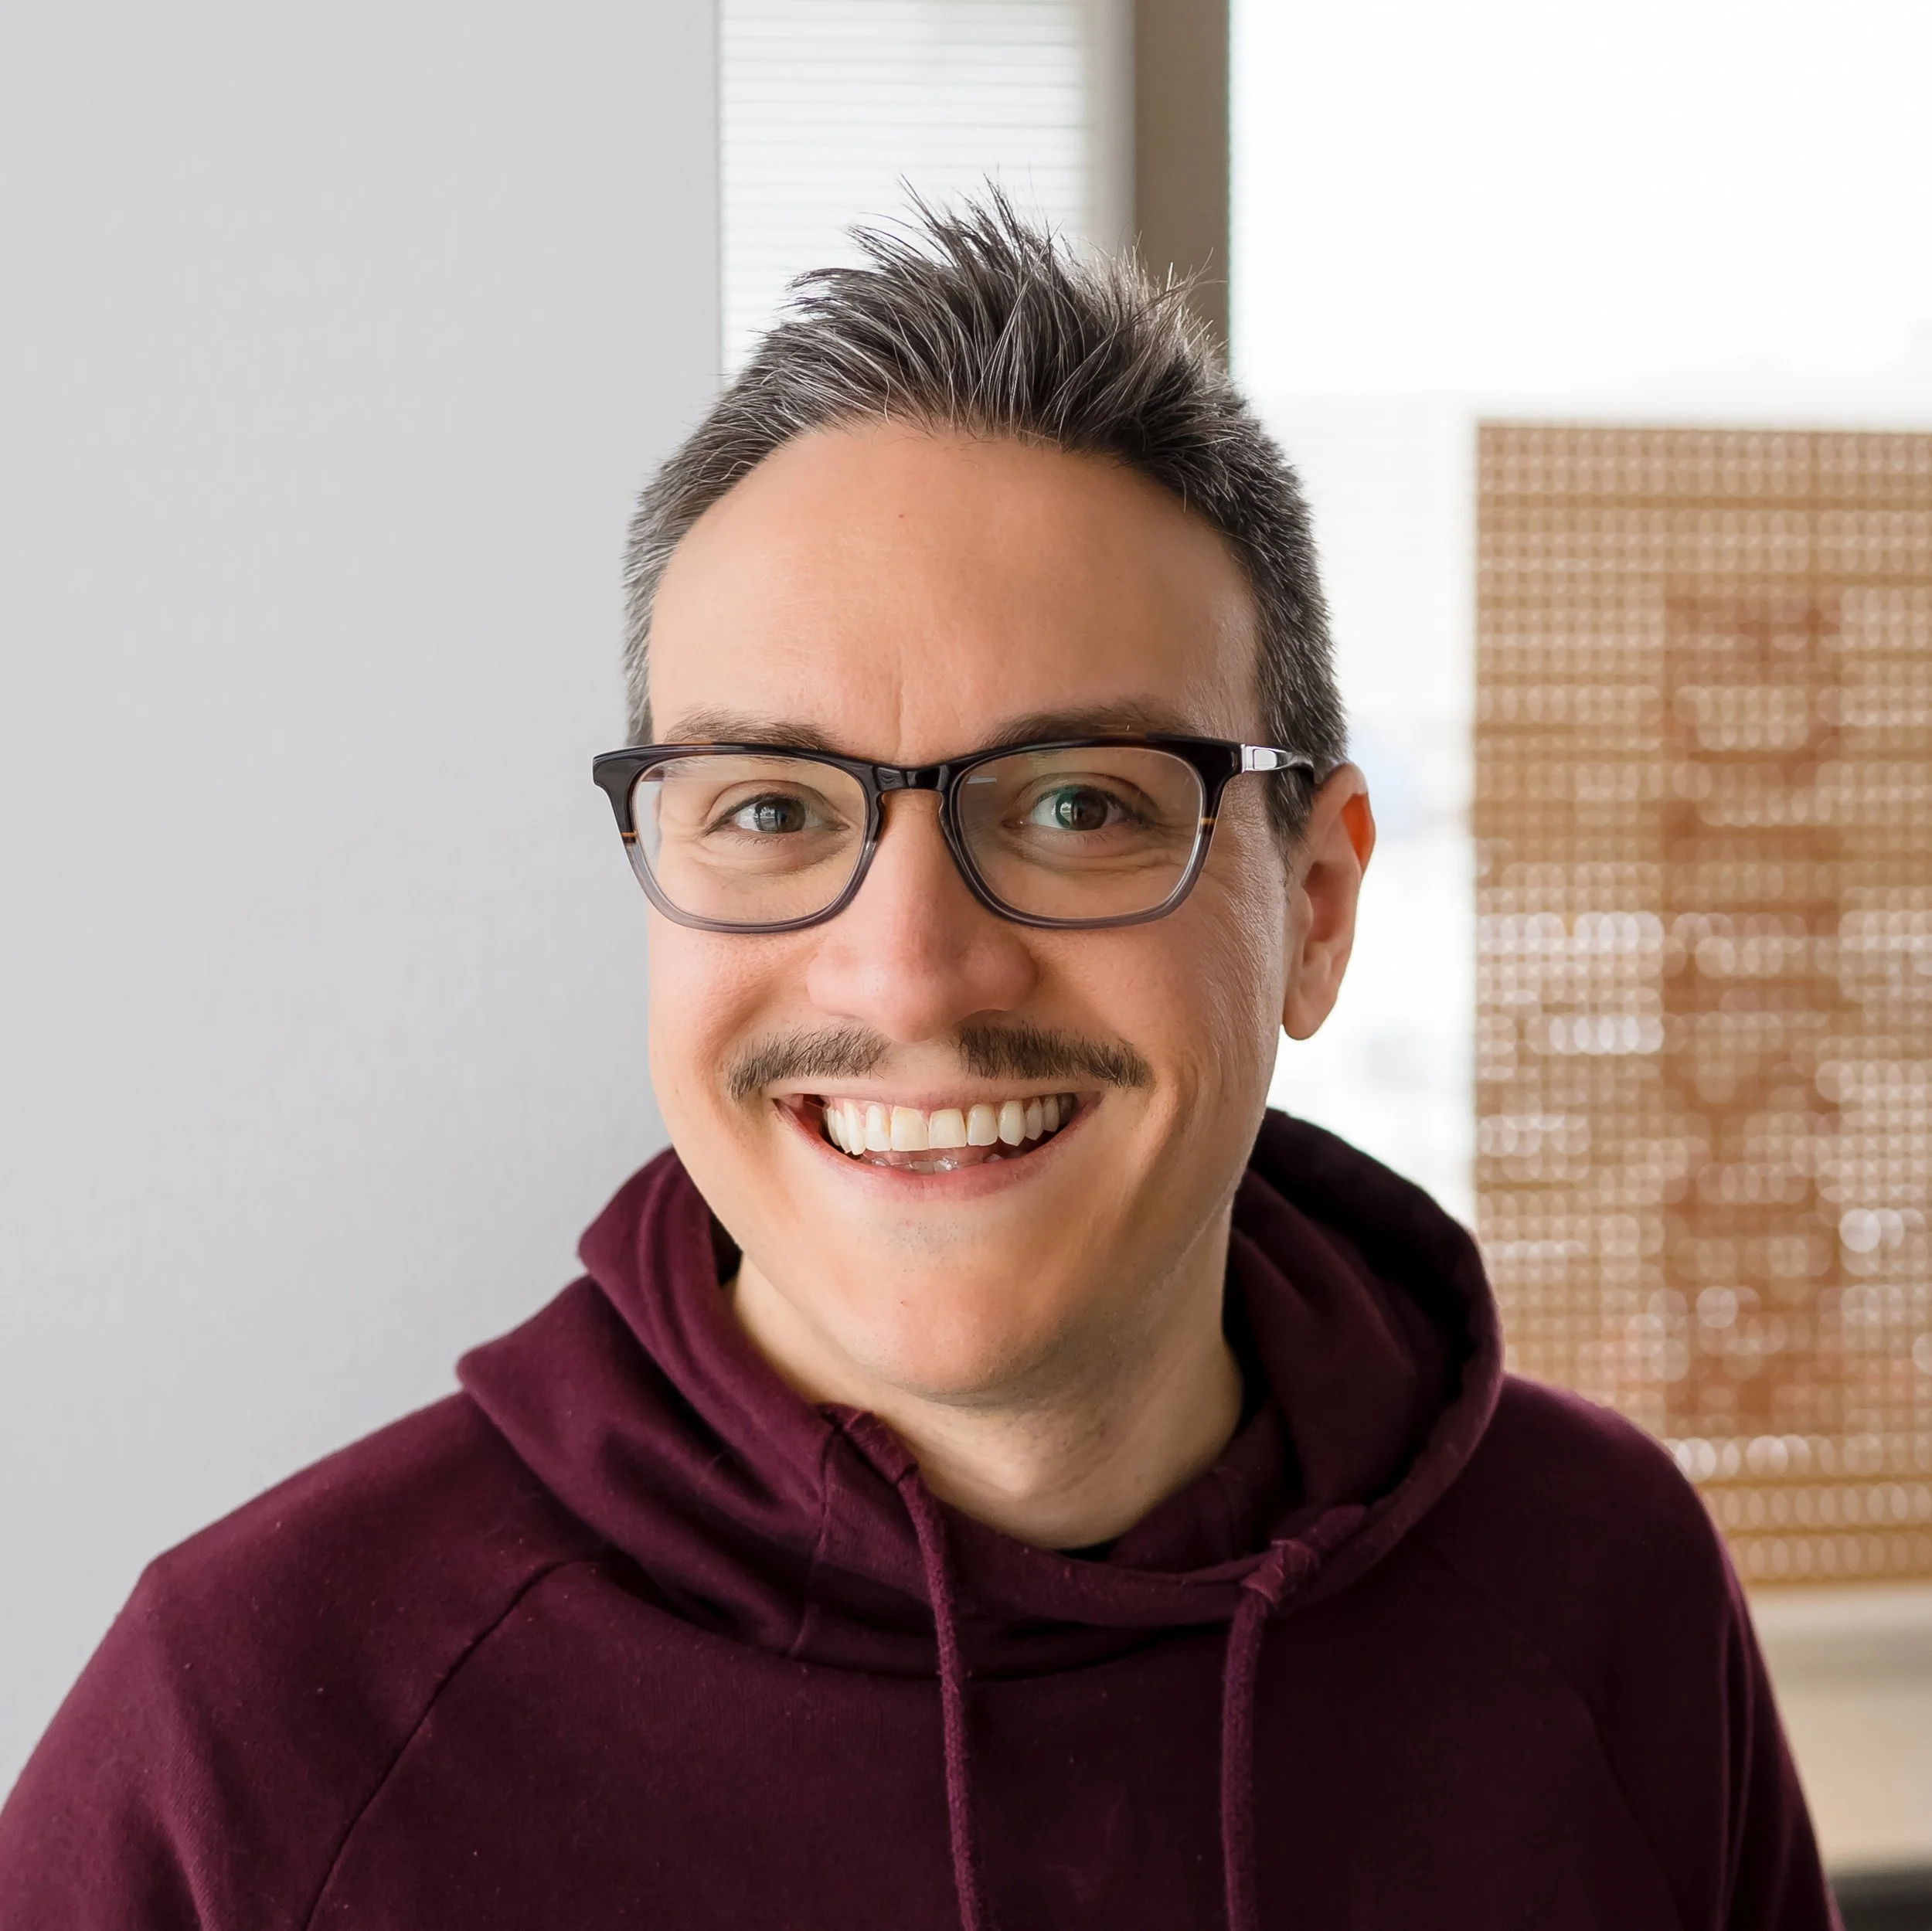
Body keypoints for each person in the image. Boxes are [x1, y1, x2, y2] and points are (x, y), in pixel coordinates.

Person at [0, 196, 1838, 1931]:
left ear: (1320, 905)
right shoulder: (253, 1731)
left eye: (1074, 804)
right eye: (773, 806)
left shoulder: (1601, 1593)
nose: (911, 973)